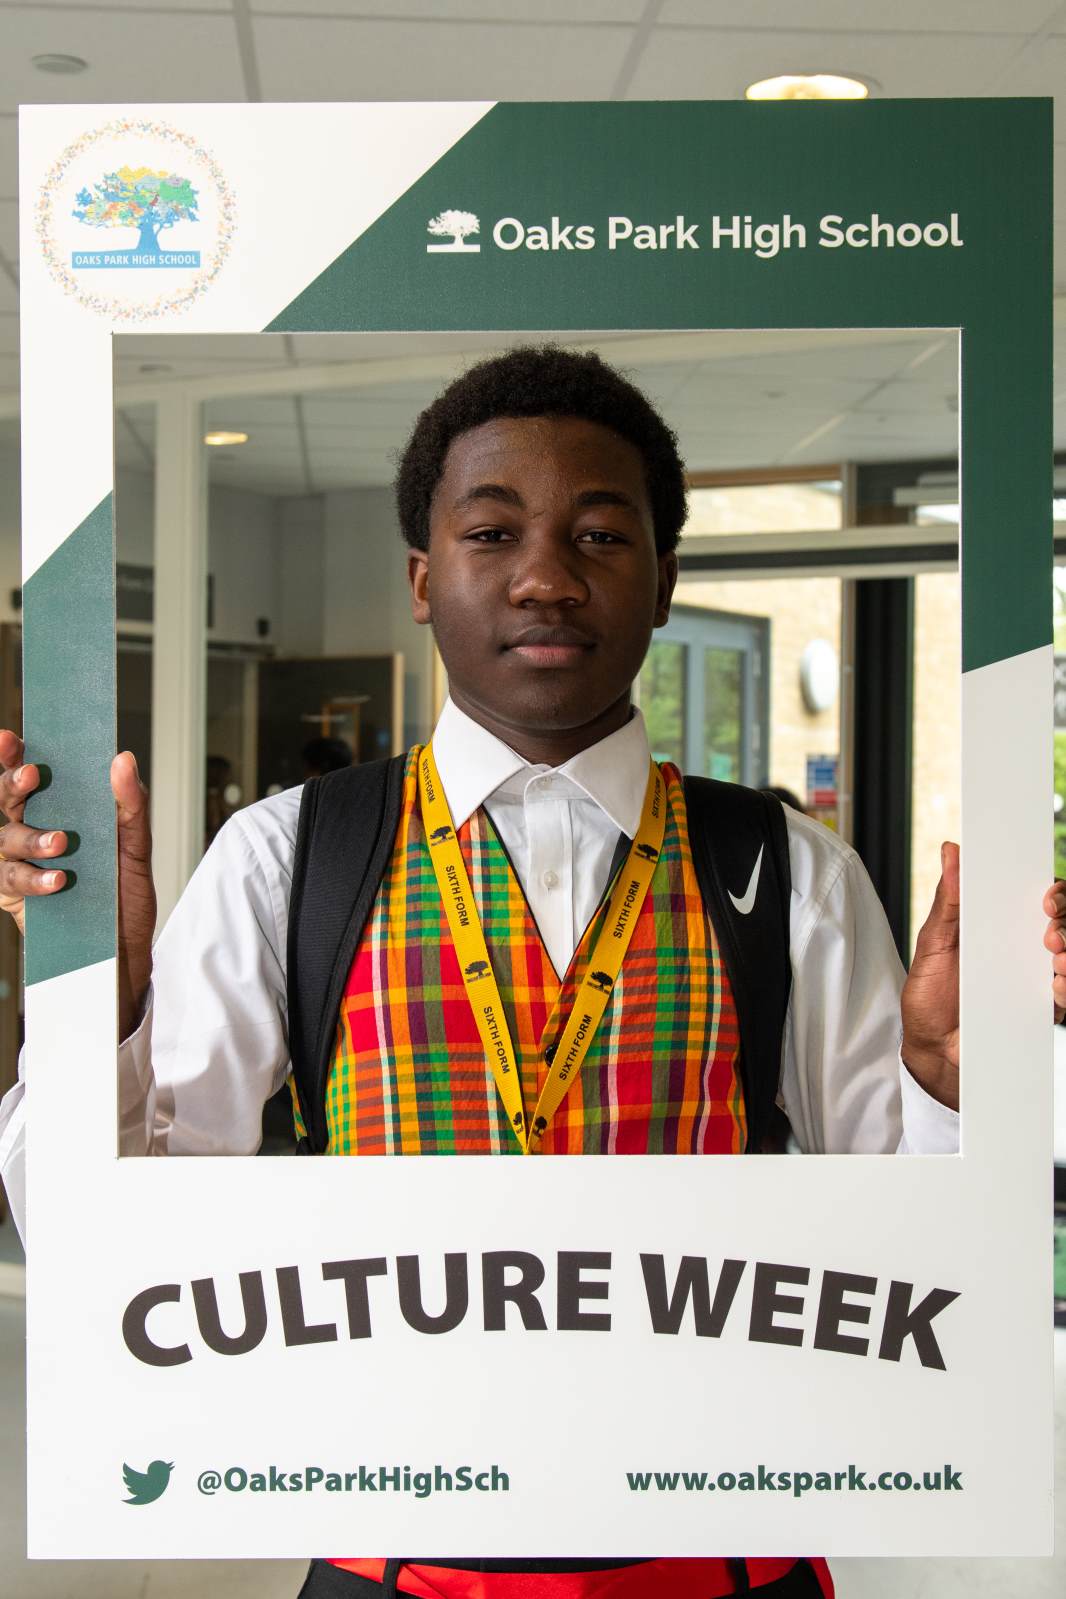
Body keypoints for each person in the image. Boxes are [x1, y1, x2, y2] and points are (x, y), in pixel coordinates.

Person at [0, 346, 1061, 1599]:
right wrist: (100, 1011)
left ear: (665, 582)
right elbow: (105, 1247)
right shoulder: (288, 855)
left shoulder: (787, 869)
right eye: (492, 532)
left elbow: (919, 1267)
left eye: (601, 536)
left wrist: (946, 1080)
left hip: (716, 1555)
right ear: (421, 579)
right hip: (397, 1554)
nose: (547, 577)